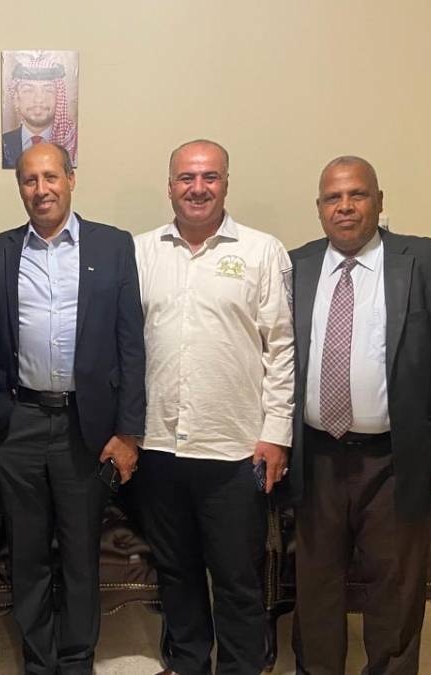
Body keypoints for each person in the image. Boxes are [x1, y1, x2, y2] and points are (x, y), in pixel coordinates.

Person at [289, 156, 431, 675]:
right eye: (333, 198)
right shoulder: (296, 267)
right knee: (316, 584)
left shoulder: (428, 263)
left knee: (395, 587)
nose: (345, 206)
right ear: (319, 208)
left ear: (379, 200)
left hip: (396, 459)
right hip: (316, 457)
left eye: (357, 194)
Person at [0, 142, 145, 674]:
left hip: (85, 426)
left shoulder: (112, 246)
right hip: (19, 425)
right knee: (26, 553)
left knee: (78, 553)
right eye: (29, 180)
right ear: (20, 188)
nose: (41, 189)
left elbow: (131, 345)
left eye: (51, 177)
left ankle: (76, 660)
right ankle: (38, 661)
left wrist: (129, 432)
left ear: (71, 179)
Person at [131, 139, 294, 675]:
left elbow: (281, 347)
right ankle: (188, 664)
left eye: (209, 177)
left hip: (235, 450)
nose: (197, 188)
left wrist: (276, 433)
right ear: (169, 186)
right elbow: (125, 346)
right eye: (186, 178)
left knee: (236, 578)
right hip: (159, 447)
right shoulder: (141, 252)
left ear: (226, 183)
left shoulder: (262, 251)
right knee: (176, 573)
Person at [1, 58, 78, 169]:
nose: (38, 99)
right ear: (16, 100)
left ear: (59, 98)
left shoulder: (73, 143)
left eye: (48, 90)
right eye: (28, 90)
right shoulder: (2, 144)